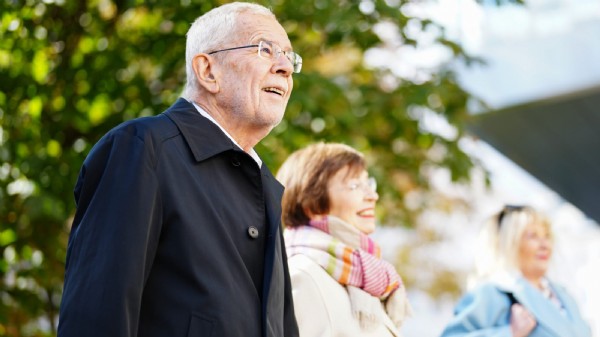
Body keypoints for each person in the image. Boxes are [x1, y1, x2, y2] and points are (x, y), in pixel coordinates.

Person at [57, 3, 302, 337]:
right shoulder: (143, 148)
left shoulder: (267, 185)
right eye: (265, 49)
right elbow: (98, 314)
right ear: (208, 71)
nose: (285, 66)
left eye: (289, 56)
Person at [276, 142, 413, 337]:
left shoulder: (360, 277)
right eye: (355, 185)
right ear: (312, 205)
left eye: (369, 184)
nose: (373, 196)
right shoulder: (303, 277)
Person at [441, 205, 591, 337]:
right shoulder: (495, 293)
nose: (544, 244)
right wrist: (511, 333)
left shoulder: (566, 298)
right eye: (533, 236)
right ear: (510, 242)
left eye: (547, 236)